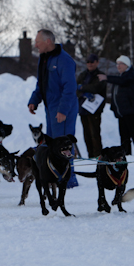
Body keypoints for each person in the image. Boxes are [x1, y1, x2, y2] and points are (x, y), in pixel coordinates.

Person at [28, 29, 79, 186]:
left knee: (63, 144)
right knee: (52, 145)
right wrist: (34, 100)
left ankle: (69, 180)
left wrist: (63, 109)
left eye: (38, 42)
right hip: (50, 109)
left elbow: (70, 88)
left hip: (63, 109)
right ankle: (56, 177)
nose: (35, 45)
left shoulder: (64, 60)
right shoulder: (44, 59)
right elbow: (41, 83)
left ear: (48, 41)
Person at [101, 56, 134, 155]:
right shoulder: (120, 77)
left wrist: (107, 78)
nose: (118, 66)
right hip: (122, 113)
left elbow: (123, 81)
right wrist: (114, 108)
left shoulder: (130, 76)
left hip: (132, 111)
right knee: (124, 137)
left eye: (121, 63)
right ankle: (127, 156)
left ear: (127, 65)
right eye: (117, 63)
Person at [76, 53, 107, 157]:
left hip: (95, 109)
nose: (90, 64)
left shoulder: (101, 75)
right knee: (87, 134)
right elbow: (74, 88)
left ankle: (98, 155)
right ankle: (90, 155)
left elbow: (96, 88)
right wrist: (82, 91)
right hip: (83, 109)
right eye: (88, 62)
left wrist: (82, 88)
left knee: (95, 133)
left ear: (97, 62)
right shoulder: (82, 75)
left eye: (92, 62)